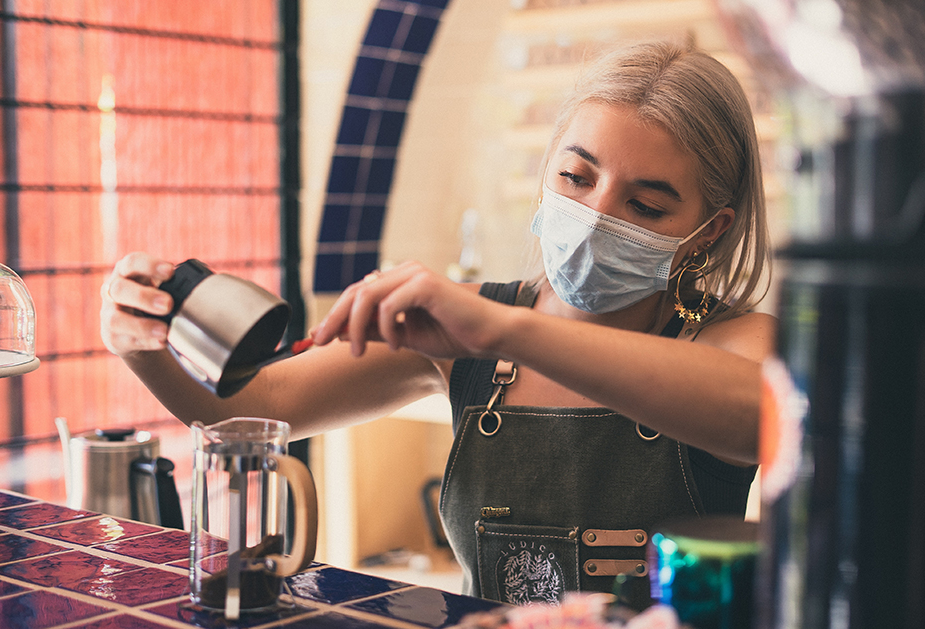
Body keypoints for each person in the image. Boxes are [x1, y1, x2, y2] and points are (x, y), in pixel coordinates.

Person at [100, 41, 774, 609]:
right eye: (575, 175)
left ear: (707, 233)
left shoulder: (727, 341)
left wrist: (506, 329)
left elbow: (757, 412)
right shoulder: (468, 335)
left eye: (646, 205)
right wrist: (144, 348)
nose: (596, 214)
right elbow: (254, 405)